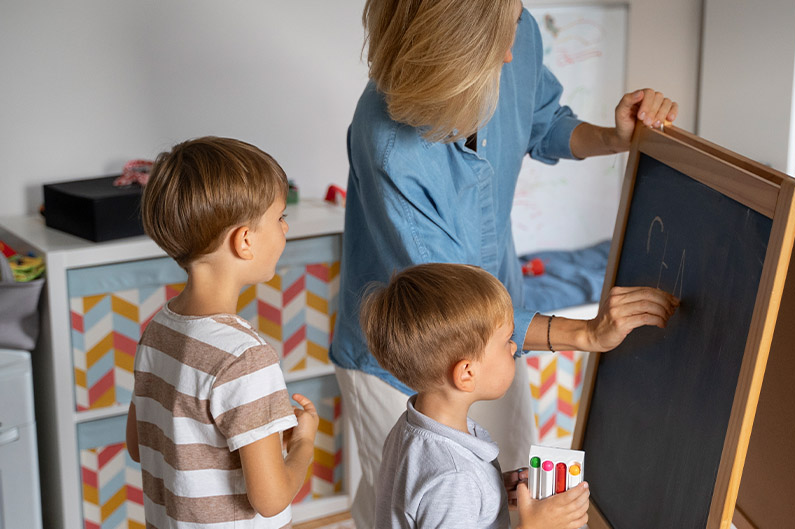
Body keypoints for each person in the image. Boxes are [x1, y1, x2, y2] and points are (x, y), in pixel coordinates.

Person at [330, 1, 681, 525]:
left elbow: (545, 122)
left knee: (476, 490)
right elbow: (456, 316)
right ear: (449, 51)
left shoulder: (511, 25)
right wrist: (585, 334)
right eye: (498, 35)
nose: (514, 49)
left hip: (495, 332)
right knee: (410, 501)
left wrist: (615, 137)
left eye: (514, 19)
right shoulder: (391, 151)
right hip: (415, 353)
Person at [125, 137, 321, 528]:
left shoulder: (158, 330)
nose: (285, 228)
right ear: (244, 241)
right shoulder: (245, 357)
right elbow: (270, 500)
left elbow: (138, 444)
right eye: (279, 217)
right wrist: (302, 445)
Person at [362, 263, 591, 529]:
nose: (514, 347)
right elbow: (448, 489)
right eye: (506, 341)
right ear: (467, 373)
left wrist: (491, 493)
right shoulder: (455, 477)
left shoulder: (409, 428)